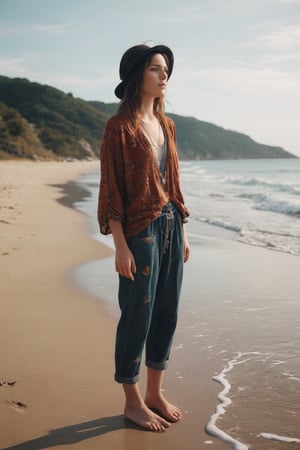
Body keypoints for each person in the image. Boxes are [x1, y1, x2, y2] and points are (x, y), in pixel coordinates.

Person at [97, 43, 190, 432]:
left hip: (170, 224)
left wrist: (182, 228)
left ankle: (155, 392)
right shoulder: (119, 128)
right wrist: (119, 244)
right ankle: (132, 401)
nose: (163, 75)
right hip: (138, 232)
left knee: (166, 312)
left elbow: (172, 181)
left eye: (165, 69)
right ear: (137, 76)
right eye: (155, 69)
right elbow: (111, 189)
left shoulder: (166, 125)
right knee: (138, 314)